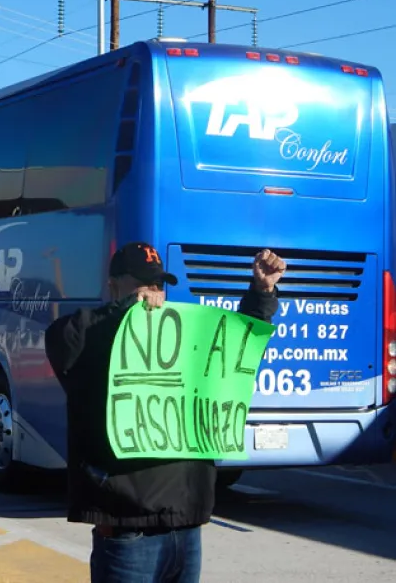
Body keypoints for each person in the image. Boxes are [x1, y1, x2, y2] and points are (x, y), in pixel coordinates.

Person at [44, 243, 285, 582]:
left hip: (186, 528)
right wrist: (127, 310)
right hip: (129, 535)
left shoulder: (176, 336)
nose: (153, 292)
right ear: (113, 284)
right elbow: (62, 339)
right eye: (142, 283)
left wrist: (261, 292)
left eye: (158, 284)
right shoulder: (92, 336)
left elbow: (232, 347)